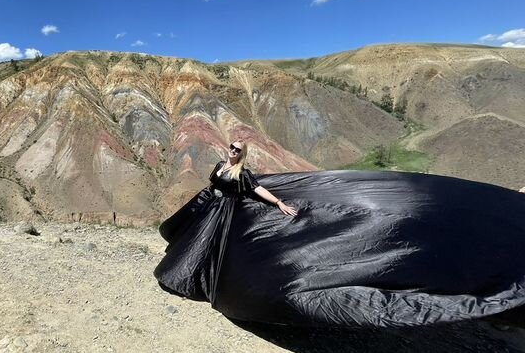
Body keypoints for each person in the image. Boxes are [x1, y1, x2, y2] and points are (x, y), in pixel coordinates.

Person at [154, 139, 525, 328]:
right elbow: (216, 184)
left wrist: (281, 205)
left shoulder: (244, 173)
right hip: (214, 211)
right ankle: (188, 274)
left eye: (238, 148)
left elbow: (258, 191)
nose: (233, 151)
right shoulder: (220, 165)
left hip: (231, 213)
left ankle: (204, 282)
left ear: (243, 153)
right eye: (231, 147)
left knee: (223, 257)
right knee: (195, 248)